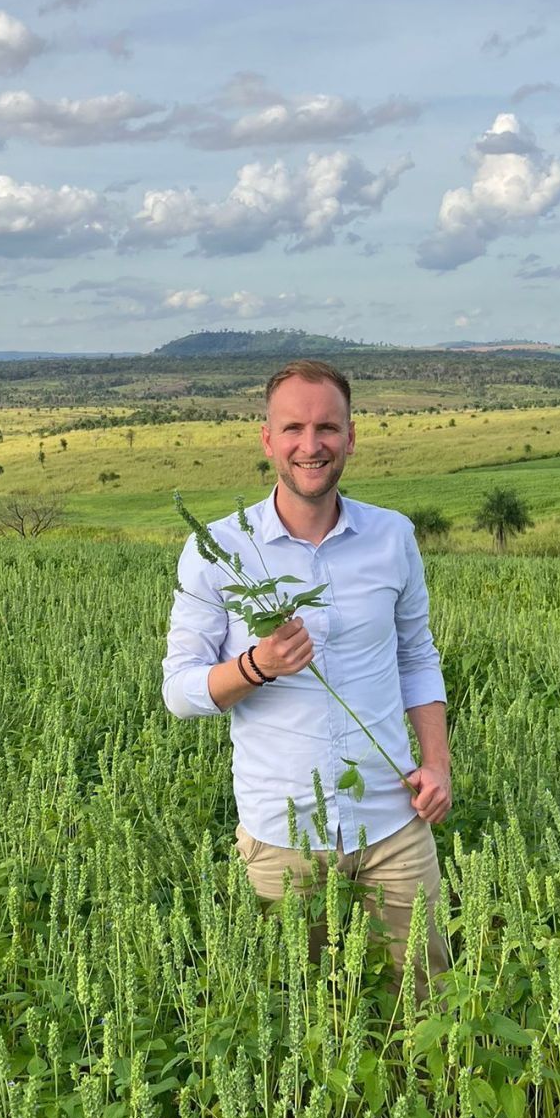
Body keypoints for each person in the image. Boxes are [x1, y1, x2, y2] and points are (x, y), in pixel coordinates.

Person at [161, 358, 451, 997]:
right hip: (282, 836)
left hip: (393, 820)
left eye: (327, 428)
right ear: (267, 438)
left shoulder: (392, 536)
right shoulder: (218, 551)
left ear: (351, 435)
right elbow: (179, 691)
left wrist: (438, 763)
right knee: (294, 1020)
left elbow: (416, 658)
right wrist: (257, 666)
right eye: (293, 428)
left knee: (432, 1009)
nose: (310, 445)